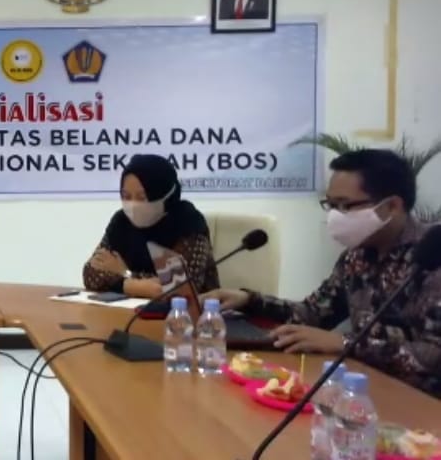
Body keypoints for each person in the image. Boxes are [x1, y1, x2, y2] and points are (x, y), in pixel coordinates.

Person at [201, 149, 441, 398]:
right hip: (365, 390)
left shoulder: (433, 256)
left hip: (423, 403)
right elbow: (314, 313)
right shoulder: (357, 255)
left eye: (346, 205)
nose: (335, 216)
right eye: (331, 205)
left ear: (392, 206)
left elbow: (434, 357)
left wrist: (345, 343)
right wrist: (248, 300)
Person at [82, 154, 220, 299]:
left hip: (194, 311)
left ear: (165, 196)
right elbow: (91, 273)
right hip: (129, 309)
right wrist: (134, 286)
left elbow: (180, 289)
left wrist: (125, 273)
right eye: (126, 196)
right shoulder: (121, 222)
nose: (133, 205)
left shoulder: (188, 222)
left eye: (142, 197)